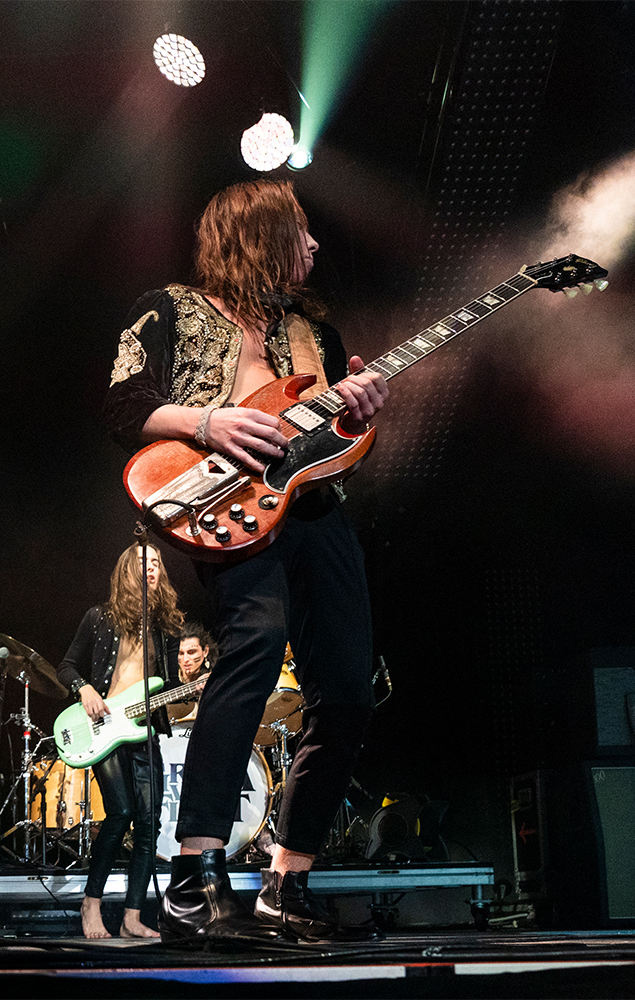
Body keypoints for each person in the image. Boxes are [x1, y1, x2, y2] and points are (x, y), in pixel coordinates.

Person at [103, 178, 388, 942]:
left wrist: (359, 416)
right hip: (224, 508)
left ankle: (288, 883)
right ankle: (194, 880)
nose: (316, 244)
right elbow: (125, 409)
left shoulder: (311, 333)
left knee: (351, 691)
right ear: (260, 235)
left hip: (316, 514)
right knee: (255, 644)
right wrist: (211, 421)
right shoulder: (168, 307)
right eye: (301, 230)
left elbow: (333, 456)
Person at [55, 543, 184, 939]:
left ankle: (132, 915)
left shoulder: (167, 627)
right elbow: (65, 665)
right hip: (103, 728)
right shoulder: (100, 617)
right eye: (144, 563)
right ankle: (90, 904)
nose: (152, 569)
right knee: (122, 812)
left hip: (142, 731)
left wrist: (196, 688)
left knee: (149, 825)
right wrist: (85, 689)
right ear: (127, 569)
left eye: (157, 563)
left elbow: (171, 684)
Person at [167, 622, 214, 722]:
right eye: (180, 653)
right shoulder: (168, 681)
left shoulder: (213, 678)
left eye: (191, 652)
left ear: (205, 651)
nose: (185, 659)